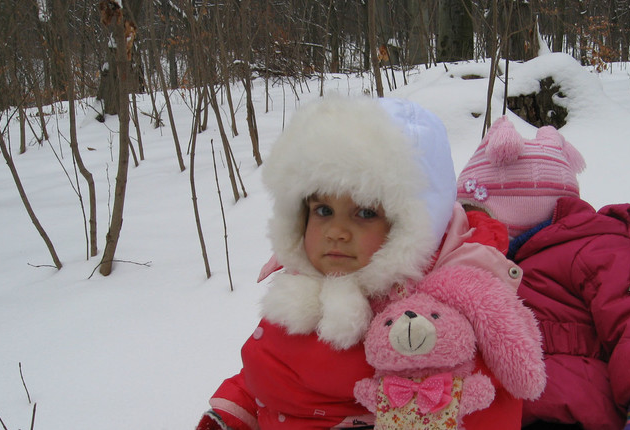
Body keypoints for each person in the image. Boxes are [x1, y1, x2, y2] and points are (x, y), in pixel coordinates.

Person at [195, 97, 540, 430]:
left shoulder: (431, 321)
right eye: (323, 210)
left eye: (364, 213)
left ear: (412, 225)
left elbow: (486, 407)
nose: (336, 232)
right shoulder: (305, 283)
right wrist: (232, 414)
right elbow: (268, 370)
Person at [455, 116, 630, 430]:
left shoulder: (595, 247)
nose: (466, 227)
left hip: (576, 414)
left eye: (473, 214)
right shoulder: (483, 263)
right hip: (496, 413)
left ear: (516, 209)